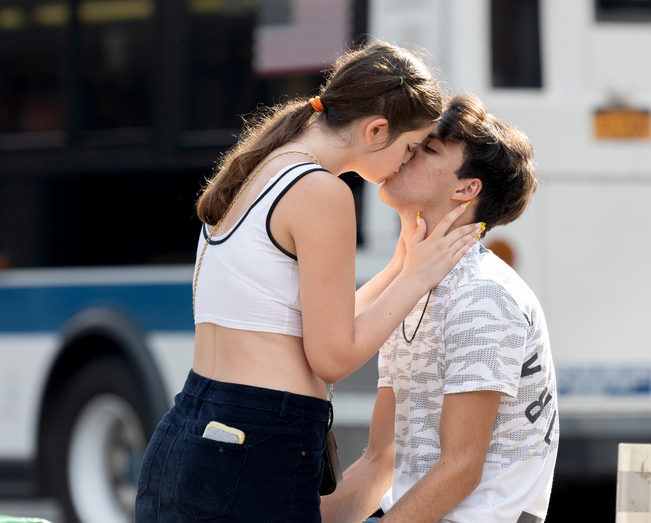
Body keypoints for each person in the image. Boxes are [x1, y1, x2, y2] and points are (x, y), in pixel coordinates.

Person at [135, 42, 484, 521]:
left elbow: (313, 318)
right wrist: (418, 278)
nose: (406, 163)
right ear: (376, 129)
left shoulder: (258, 169)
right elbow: (332, 356)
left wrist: (402, 266)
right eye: (407, 148)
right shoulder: (321, 191)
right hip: (255, 446)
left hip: (192, 433)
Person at [321, 94, 557, 523]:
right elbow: (380, 461)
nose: (404, 154)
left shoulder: (483, 293)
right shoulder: (417, 283)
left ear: (466, 189)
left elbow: (460, 469)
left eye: (426, 150)